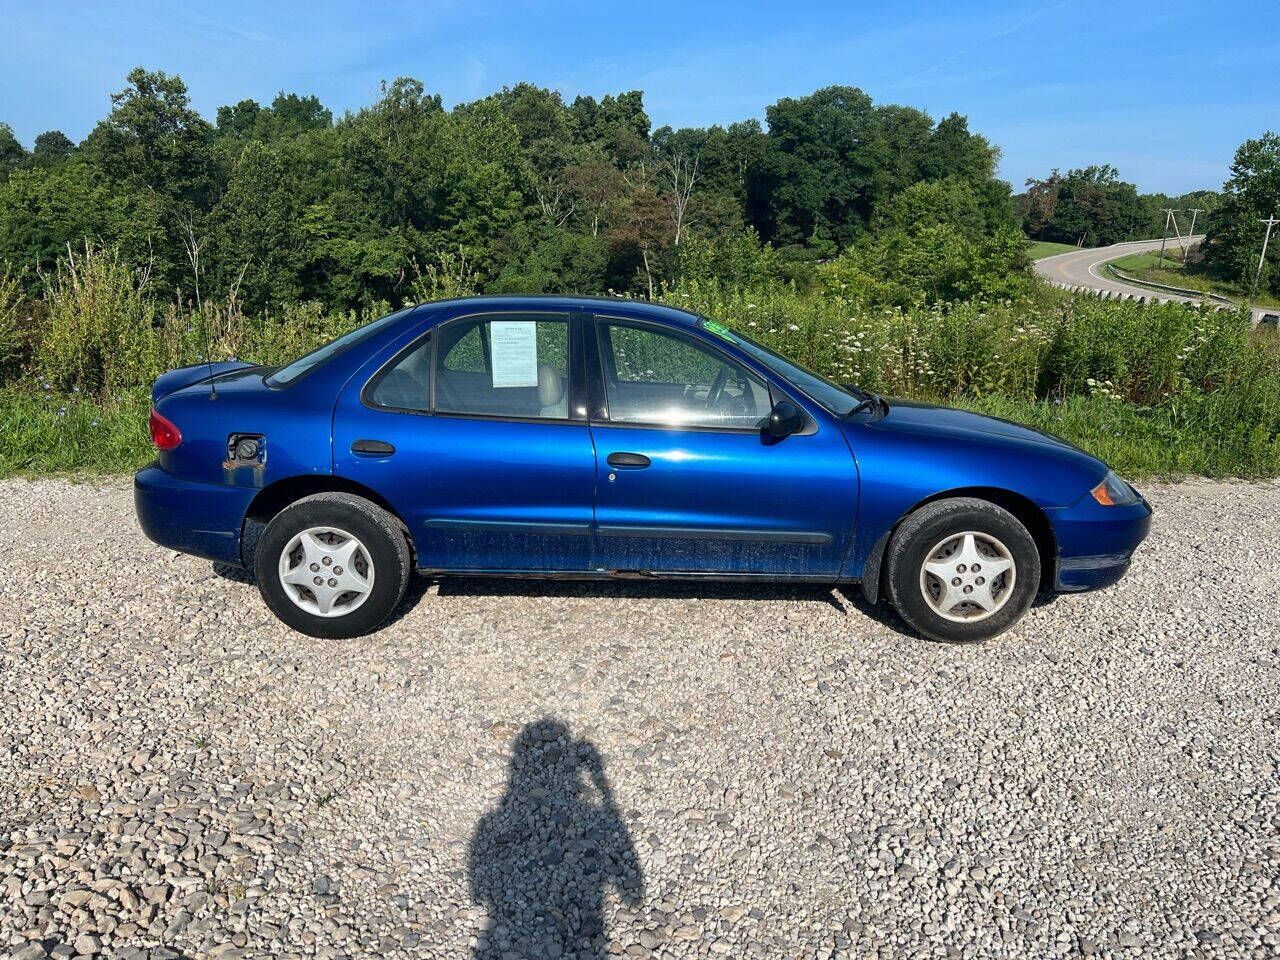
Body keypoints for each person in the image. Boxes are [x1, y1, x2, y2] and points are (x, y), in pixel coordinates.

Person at [468, 719, 644, 959]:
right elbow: (632, 890)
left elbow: (478, 890)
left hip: (499, 925)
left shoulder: (491, 820)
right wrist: (605, 795)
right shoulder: (590, 812)